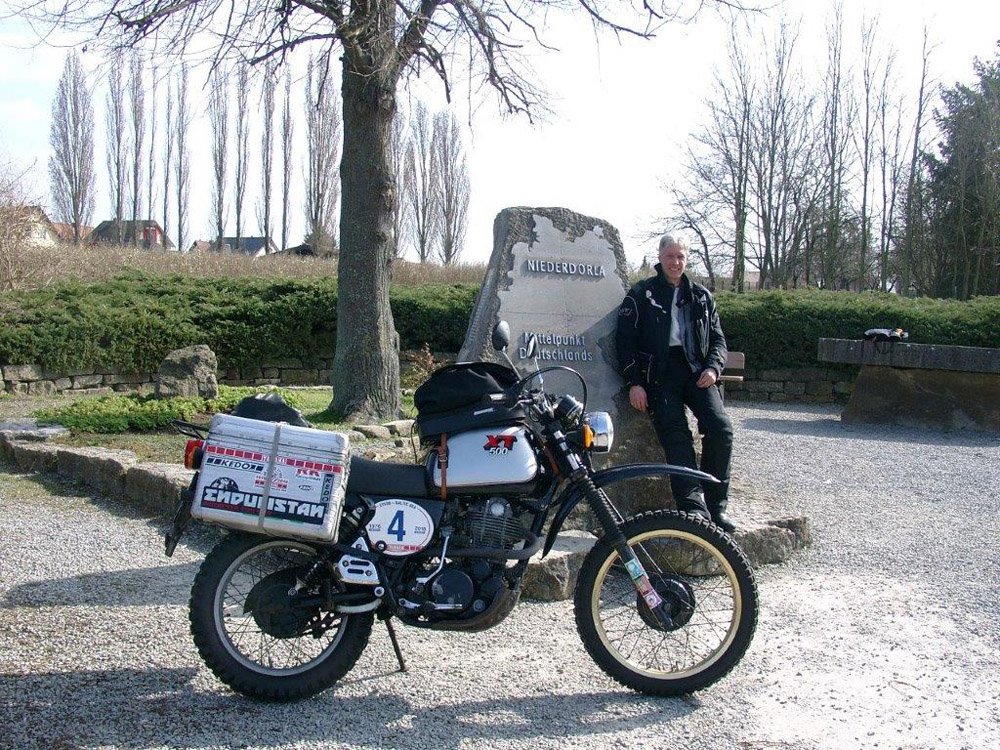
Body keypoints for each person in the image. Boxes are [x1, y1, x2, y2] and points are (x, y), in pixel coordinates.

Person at [615, 234, 736, 532]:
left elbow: (718, 341)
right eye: (670, 256)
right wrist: (634, 383)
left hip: (696, 370)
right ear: (660, 257)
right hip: (659, 374)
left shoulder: (702, 297)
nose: (675, 262)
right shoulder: (641, 294)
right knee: (677, 437)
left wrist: (714, 368)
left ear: (686, 259)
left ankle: (716, 508)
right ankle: (694, 510)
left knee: (721, 429)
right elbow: (625, 341)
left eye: (680, 256)